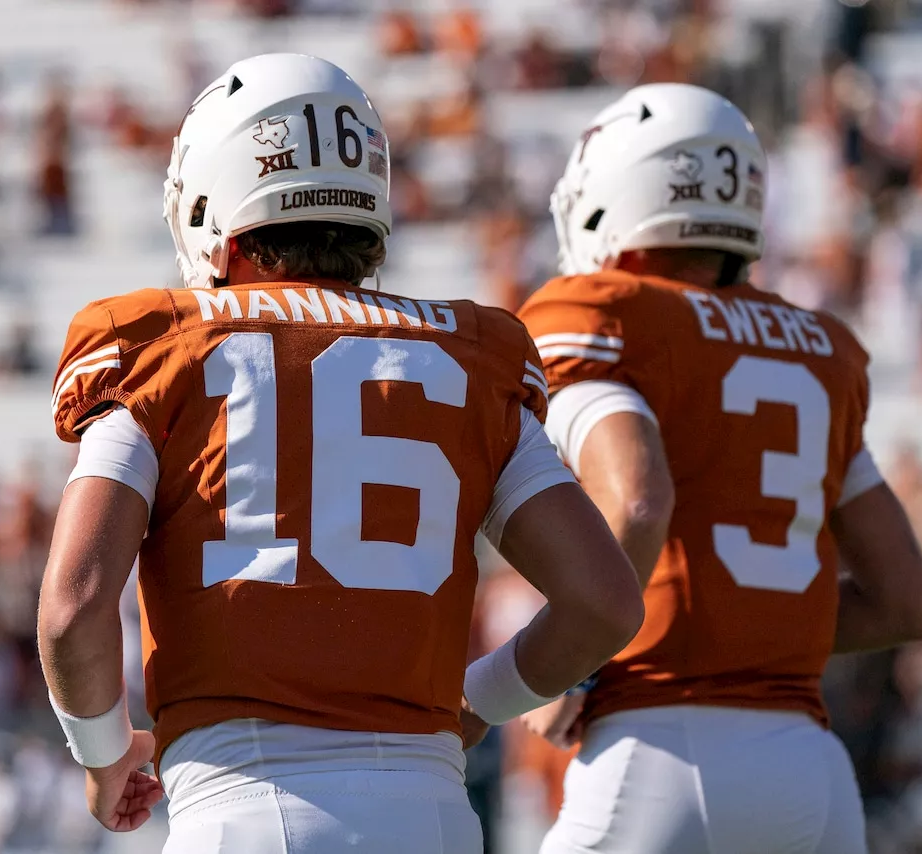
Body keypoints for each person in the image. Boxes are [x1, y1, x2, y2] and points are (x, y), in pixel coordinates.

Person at [37, 54, 644, 853]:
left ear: (215, 203)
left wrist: (103, 757)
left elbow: (73, 608)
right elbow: (604, 601)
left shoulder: (162, 348)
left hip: (244, 798)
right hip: (433, 813)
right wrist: (476, 703)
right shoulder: (468, 355)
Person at [517, 83, 922, 854]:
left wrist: (565, 671)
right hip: (812, 769)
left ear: (615, 195)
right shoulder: (819, 349)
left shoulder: (601, 313)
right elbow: (907, 599)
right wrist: (761, 632)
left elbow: (639, 505)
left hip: (658, 748)